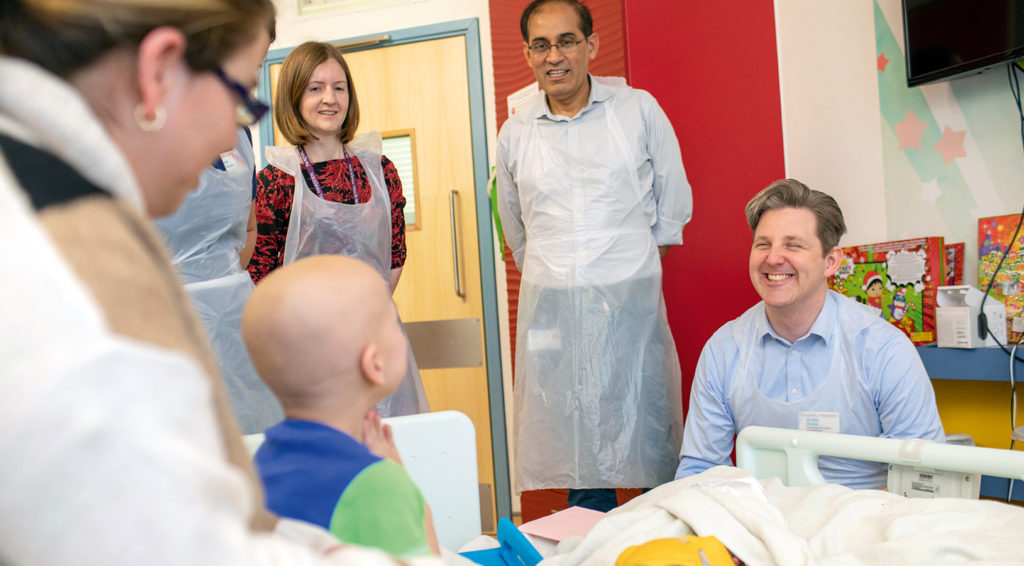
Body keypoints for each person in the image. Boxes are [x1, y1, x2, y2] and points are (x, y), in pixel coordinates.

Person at [0, 1, 418, 564]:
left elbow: (210, 510)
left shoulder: (69, 200)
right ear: (159, 74)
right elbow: (172, 543)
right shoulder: (54, 266)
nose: (233, 132)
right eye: (241, 96)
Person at [495, 0, 693, 511]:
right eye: (541, 45)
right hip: (554, 311)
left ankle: (663, 539)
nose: (554, 56)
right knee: (574, 439)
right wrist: (565, 280)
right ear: (527, 54)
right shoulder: (516, 133)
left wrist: (622, 278)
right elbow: (517, 230)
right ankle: (593, 544)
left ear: (591, 45)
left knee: (646, 429)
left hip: (629, 303)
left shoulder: (638, 110)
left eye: (566, 41)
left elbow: (671, 212)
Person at [676, 179, 945, 490]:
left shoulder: (883, 349)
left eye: (793, 245)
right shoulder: (724, 350)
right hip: (764, 523)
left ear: (830, 262)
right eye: (763, 244)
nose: (773, 258)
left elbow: (925, 476)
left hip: (868, 523)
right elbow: (700, 471)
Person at [247, 41, 428, 418]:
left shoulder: (380, 171)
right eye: (315, 88)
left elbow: (393, 262)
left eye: (339, 87)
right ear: (294, 96)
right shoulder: (276, 181)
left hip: (377, 342)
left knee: (386, 457)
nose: (330, 98)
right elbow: (261, 281)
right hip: (306, 356)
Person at [243, 255, 440, 559]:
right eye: (394, 321)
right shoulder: (379, 485)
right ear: (374, 364)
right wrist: (405, 486)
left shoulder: (256, 470)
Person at [154, 16, 283, 434]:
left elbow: (249, 229)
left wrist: (221, 282)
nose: (254, 85)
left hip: (233, 318)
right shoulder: (144, 133)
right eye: (249, 67)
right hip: (164, 321)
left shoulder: (240, 136)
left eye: (261, 65)